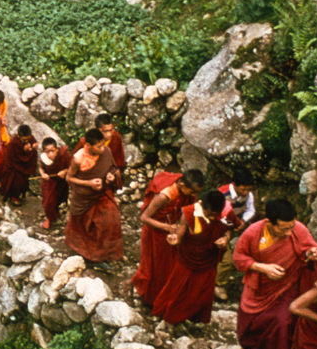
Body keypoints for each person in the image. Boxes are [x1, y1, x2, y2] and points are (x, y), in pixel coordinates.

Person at [234, 198, 317, 349]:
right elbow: (238, 257)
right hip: (260, 286)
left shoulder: (298, 229)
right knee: (249, 319)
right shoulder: (253, 233)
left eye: (291, 226)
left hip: (288, 284)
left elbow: (307, 249)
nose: (289, 232)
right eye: (283, 229)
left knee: (283, 322)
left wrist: (313, 254)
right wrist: (261, 267)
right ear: (269, 222)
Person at [153, 190, 236, 324]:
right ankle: (164, 313)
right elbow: (180, 234)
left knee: (201, 293)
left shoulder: (225, 212)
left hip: (208, 260)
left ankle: (193, 317)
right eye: (209, 213)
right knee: (176, 288)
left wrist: (226, 238)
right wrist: (174, 240)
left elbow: (230, 228)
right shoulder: (189, 212)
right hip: (187, 258)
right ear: (202, 205)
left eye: (216, 214)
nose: (213, 216)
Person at [131, 169, 205, 307]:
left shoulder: (184, 190)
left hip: (170, 231)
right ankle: (146, 297)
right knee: (153, 268)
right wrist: (166, 227)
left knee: (168, 267)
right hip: (154, 233)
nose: (195, 195)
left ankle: (163, 298)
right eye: (193, 191)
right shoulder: (165, 196)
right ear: (182, 184)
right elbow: (144, 217)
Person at [64, 128, 124, 266]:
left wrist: (111, 175)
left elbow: (113, 168)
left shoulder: (106, 152)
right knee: (85, 225)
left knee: (110, 220)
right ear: (88, 146)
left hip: (103, 193)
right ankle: (85, 252)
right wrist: (88, 183)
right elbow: (69, 177)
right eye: (99, 146)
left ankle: (102, 254)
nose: (103, 149)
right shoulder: (78, 158)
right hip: (84, 197)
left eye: (103, 144)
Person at [216, 167, 259, 301]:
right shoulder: (221, 195)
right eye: (243, 189)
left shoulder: (248, 195)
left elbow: (251, 210)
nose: (246, 192)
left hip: (237, 226)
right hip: (219, 228)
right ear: (234, 184)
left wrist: (243, 221)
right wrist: (230, 228)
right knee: (228, 260)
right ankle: (219, 284)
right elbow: (216, 216)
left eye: (248, 189)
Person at [0, 125, 37, 206]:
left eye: (28, 138)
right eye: (24, 139)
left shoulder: (30, 138)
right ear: (19, 136)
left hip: (24, 167)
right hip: (14, 166)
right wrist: (29, 151)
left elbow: (34, 144)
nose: (27, 140)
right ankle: (13, 196)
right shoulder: (13, 143)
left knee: (23, 181)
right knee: (14, 182)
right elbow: (13, 157)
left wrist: (32, 147)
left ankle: (19, 194)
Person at [39, 137, 72, 230]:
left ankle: (56, 211)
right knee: (48, 201)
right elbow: (41, 167)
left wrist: (65, 171)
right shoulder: (43, 158)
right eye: (47, 152)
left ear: (57, 149)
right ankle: (49, 217)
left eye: (53, 151)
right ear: (43, 151)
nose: (50, 154)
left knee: (59, 197)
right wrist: (43, 174)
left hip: (61, 180)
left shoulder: (64, 154)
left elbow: (72, 167)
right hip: (49, 180)